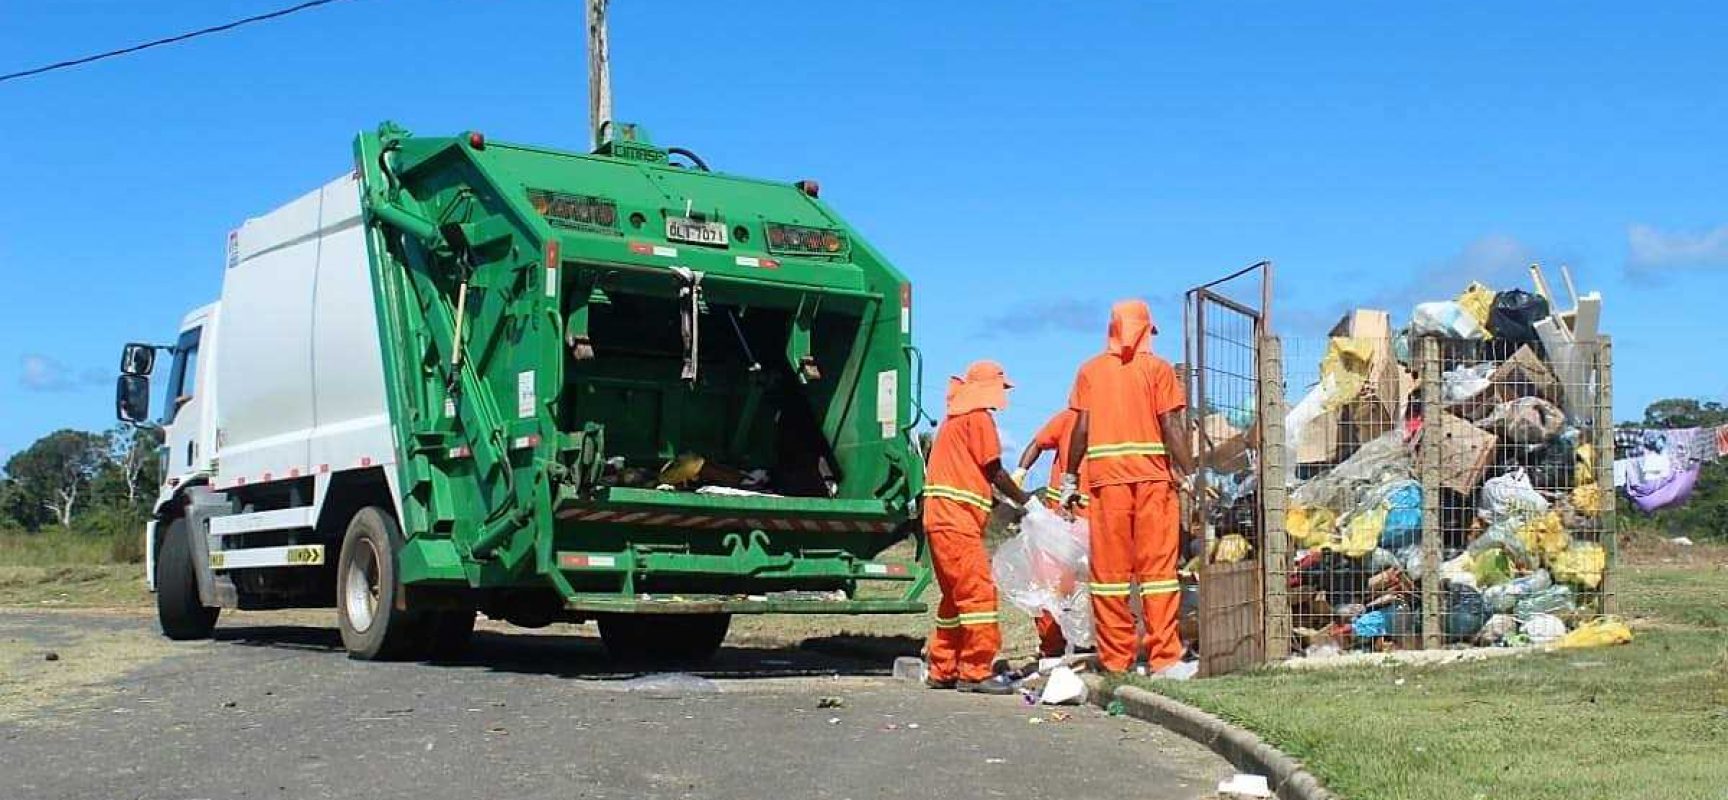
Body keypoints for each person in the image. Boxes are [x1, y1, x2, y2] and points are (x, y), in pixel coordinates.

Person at [1056, 300, 1196, 678]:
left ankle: (1116, 661)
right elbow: (1171, 426)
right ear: (1147, 330)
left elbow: (1081, 430)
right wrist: (1192, 472)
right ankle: (1163, 659)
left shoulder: (1091, 372)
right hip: (1151, 482)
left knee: (1109, 578)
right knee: (1158, 574)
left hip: (1105, 484)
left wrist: (1070, 479)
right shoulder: (1158, 370)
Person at [922, 360, 1033, 694]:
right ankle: (975, 671)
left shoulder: (954, 420)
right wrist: (1026, 500)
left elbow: (972, 476)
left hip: (940, 518)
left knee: (955, 599)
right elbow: (994, 470)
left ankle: (943, 668)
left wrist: (1003, 506)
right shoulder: (979, 418)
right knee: (978, 593)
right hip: (956, 520)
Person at [1013, 408, 1090, 659]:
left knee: (1088, 589)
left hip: (1093, 521)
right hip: (1061, 520)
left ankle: (1083, 644)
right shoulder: (1068, 418)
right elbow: (1036, 443)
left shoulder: (1118, 421)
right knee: (1055, 586)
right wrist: (1020, 472)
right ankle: (1052, 648)